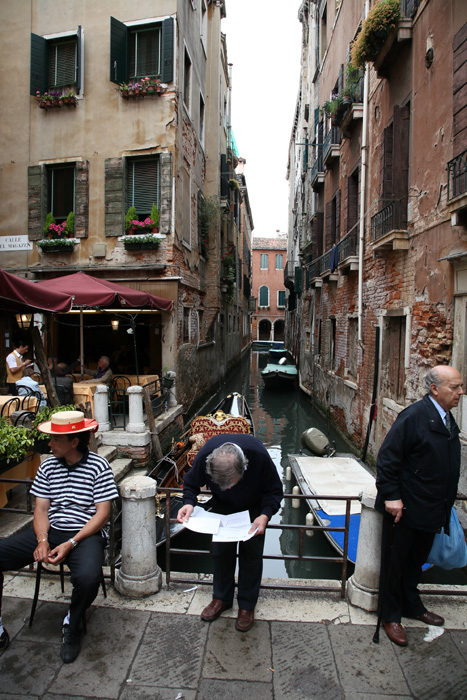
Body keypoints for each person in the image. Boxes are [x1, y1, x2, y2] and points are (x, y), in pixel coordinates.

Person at [0, 410, 118, 663]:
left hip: (86, 534)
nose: (49, 443)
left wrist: (72, 542)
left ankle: (72, 623)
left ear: (74, 442)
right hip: (52, 531)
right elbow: (41, 509)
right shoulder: (48, 466)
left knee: (88, 578)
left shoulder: (99, 466)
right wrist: (42, 539)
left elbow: (102, 515)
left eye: (55, 439)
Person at [375, 365, 463, 647]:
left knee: (416, 561)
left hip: (432, 507)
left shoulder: (447, 419)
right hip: (405, 508)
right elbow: (387, 459)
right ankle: (390, 615)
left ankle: (412, 605)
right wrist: (391, 496)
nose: (461, 392)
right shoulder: (413, 416)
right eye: (455, 387)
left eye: (460, 387)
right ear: (435, 389)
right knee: (395, 563)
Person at [177, 434, 283, 632]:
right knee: (220, 553)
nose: (228, 488)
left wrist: (265, 516)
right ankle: (221, 599)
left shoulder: (259, 456)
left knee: (251, 556)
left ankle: (247, 606)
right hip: (222, 508)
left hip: (254, 510)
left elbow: (275, 491)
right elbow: (190, 483)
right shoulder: (205, 456)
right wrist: (189, 503)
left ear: (244, 466)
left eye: (232, 483)